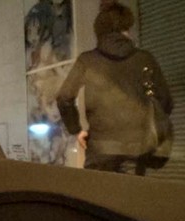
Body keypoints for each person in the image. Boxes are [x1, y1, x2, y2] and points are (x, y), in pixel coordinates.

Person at [56, 3, 173, 175]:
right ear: (126, 29)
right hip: (138, 149)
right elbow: (166, 102)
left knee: (98, 190)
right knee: (133, 191)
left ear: (99, 31)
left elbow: (64, 98)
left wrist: (76, 130)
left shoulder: (87, 60)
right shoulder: (144, 59)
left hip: (100, 149)